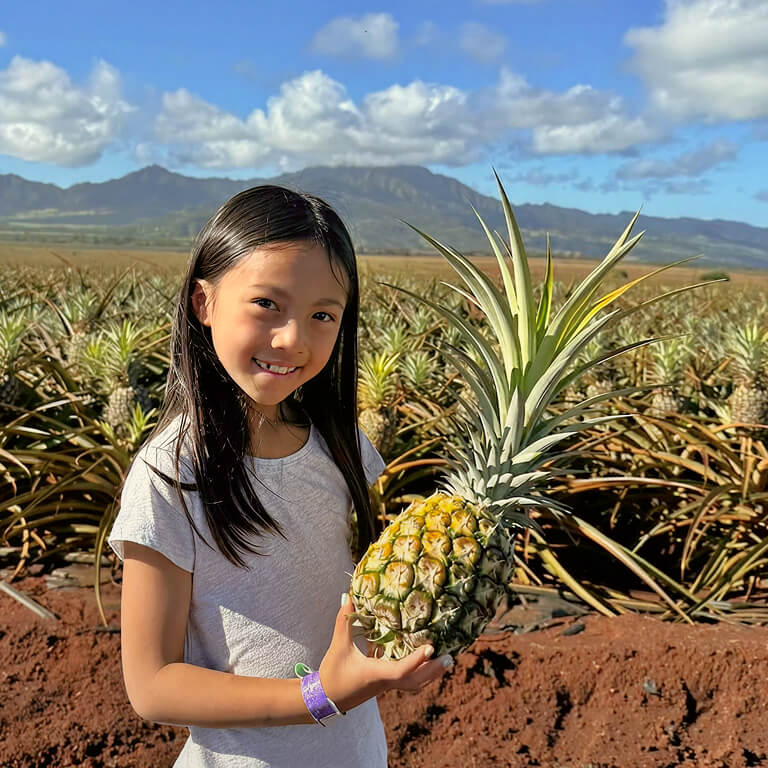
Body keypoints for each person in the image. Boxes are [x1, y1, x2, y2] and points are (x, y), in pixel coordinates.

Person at [108, 185, 452, 768]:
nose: (293, 338)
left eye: (323, 315)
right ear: (204, 303)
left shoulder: (341, 446)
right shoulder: (170, 474)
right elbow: (152, 685)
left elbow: (346, 597)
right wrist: (320, 696)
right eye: (267, 303)